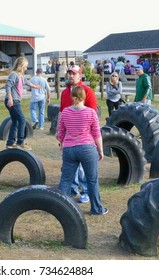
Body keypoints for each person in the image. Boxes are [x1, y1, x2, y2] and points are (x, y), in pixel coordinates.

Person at [57, 86, 107, 215]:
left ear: (72, 97)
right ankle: (97, 209)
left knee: (66, 180)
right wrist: (100, 151)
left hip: (69, 149)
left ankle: (59, 209)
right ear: (84, 97)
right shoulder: (91, 112)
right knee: (92, 180)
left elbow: (61, 132)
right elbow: (96, 134)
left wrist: (62, 144)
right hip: (87, 148)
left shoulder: (66, 112)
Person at [59, 65, 98, 203]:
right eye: (69, 73)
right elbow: (62, 114)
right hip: (69, 139)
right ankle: (72, 190)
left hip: (84, 139)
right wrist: (60, 136)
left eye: (74, 74)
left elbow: (93, 115)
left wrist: (94, 139)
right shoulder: (64, 93)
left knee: (82, 168)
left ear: (79, 76)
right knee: (69, 166)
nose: (71, 76)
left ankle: (85, 191)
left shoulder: (87, 91)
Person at [5, 57, 40, 150]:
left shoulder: (20, 76)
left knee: (16, 121)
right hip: (13, 101)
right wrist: (10, 99)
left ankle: (10, 143)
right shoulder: (14, 75)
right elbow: (8, 86)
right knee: (22, 119)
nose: (26, 68)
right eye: (25, 66)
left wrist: (34, 86)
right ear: (21, 66)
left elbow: (26, 82)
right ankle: (20, 142)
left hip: (15, 100)